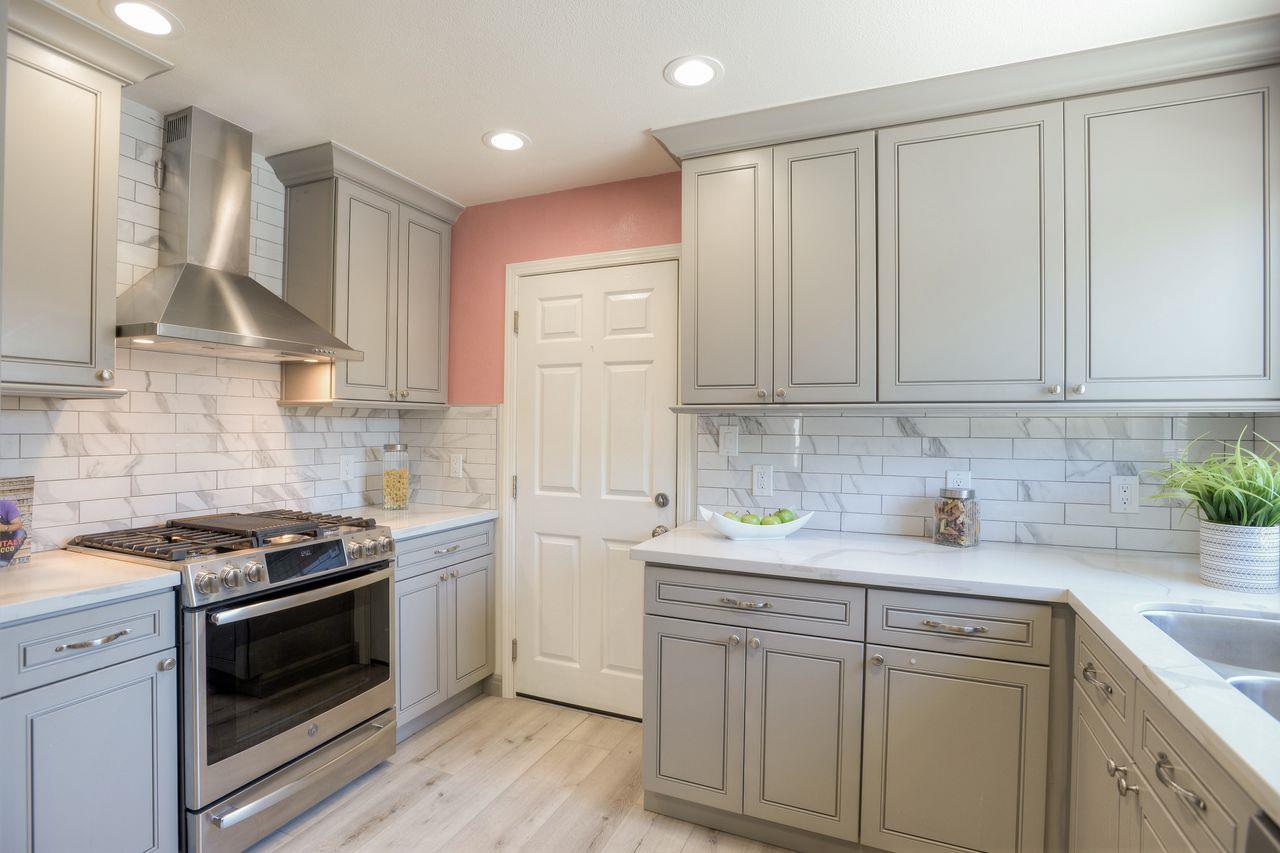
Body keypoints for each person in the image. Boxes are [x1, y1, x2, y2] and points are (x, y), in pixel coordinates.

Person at [0, 499, 28, 567]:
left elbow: (18, 525)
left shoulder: (6, 505)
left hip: (4, 538)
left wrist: (4, 528)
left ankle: (3, 561)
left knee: (21, 533)